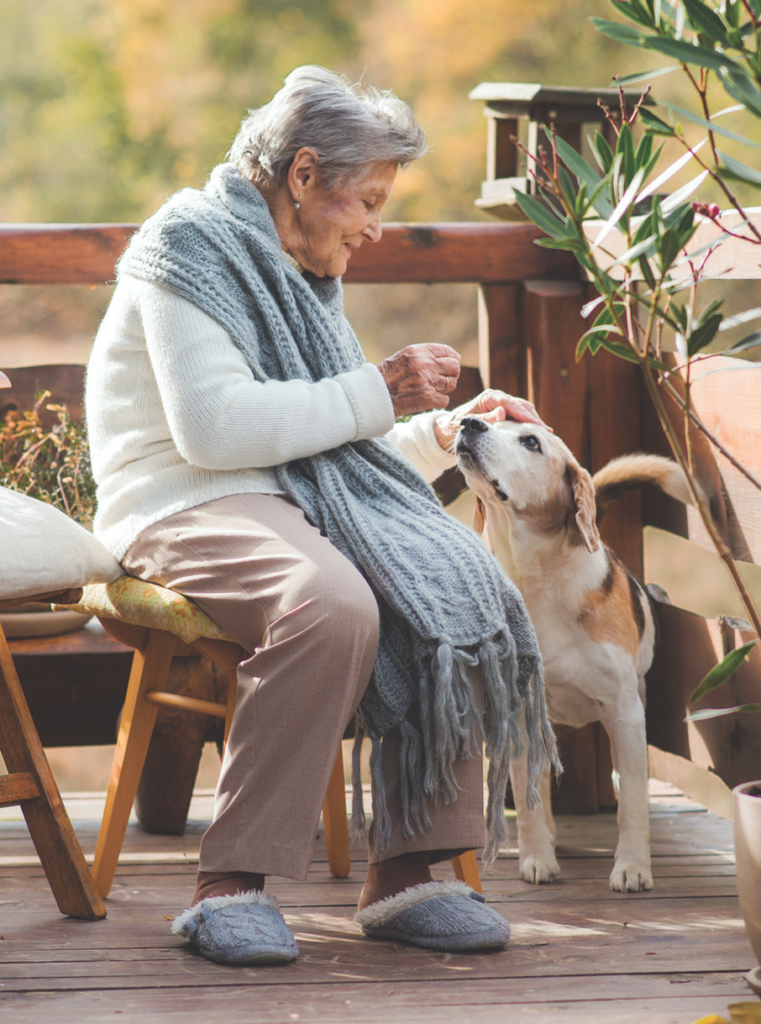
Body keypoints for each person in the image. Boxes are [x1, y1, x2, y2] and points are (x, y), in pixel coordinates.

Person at [85, 65, 558, 966]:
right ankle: (230, 886)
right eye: (368, 199)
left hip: (289, 498)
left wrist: (449, 430)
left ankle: (413, 874)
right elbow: (216, 430)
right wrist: (378, 389)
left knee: (451, 575)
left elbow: (340, 449)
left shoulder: (300, 272)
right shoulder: (186, 248)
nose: (378, 225)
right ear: (303, 175)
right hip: (180, 499)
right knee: (329, 602)